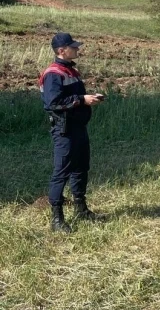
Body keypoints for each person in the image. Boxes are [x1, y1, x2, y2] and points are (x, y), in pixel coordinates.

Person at [39, 32, 105, 233]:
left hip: (78, 128)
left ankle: (81, 209)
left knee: (80, 168)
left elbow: (72, 96)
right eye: (73, 46)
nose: (77, 49)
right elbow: (53, 103)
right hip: (64, 130)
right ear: (61, 50)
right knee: (61, 173)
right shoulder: (53, 73)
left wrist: (88, 97)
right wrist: (82, 100)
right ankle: (57, 220)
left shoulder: (70, 71)